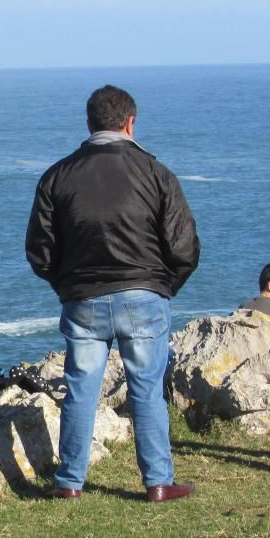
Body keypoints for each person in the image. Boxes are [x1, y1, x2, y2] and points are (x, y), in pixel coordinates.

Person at [26, 84, 201, 502]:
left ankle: (69, 483)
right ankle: (158, 482)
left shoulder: (57, 175)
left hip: (83, 298)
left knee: (81, 389)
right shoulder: (156, 173)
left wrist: (68, 288)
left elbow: (40, 251)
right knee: (147, 388)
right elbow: (184, 247)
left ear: (89, 124)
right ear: (130, 122)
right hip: (144, 294)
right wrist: (162, 288)